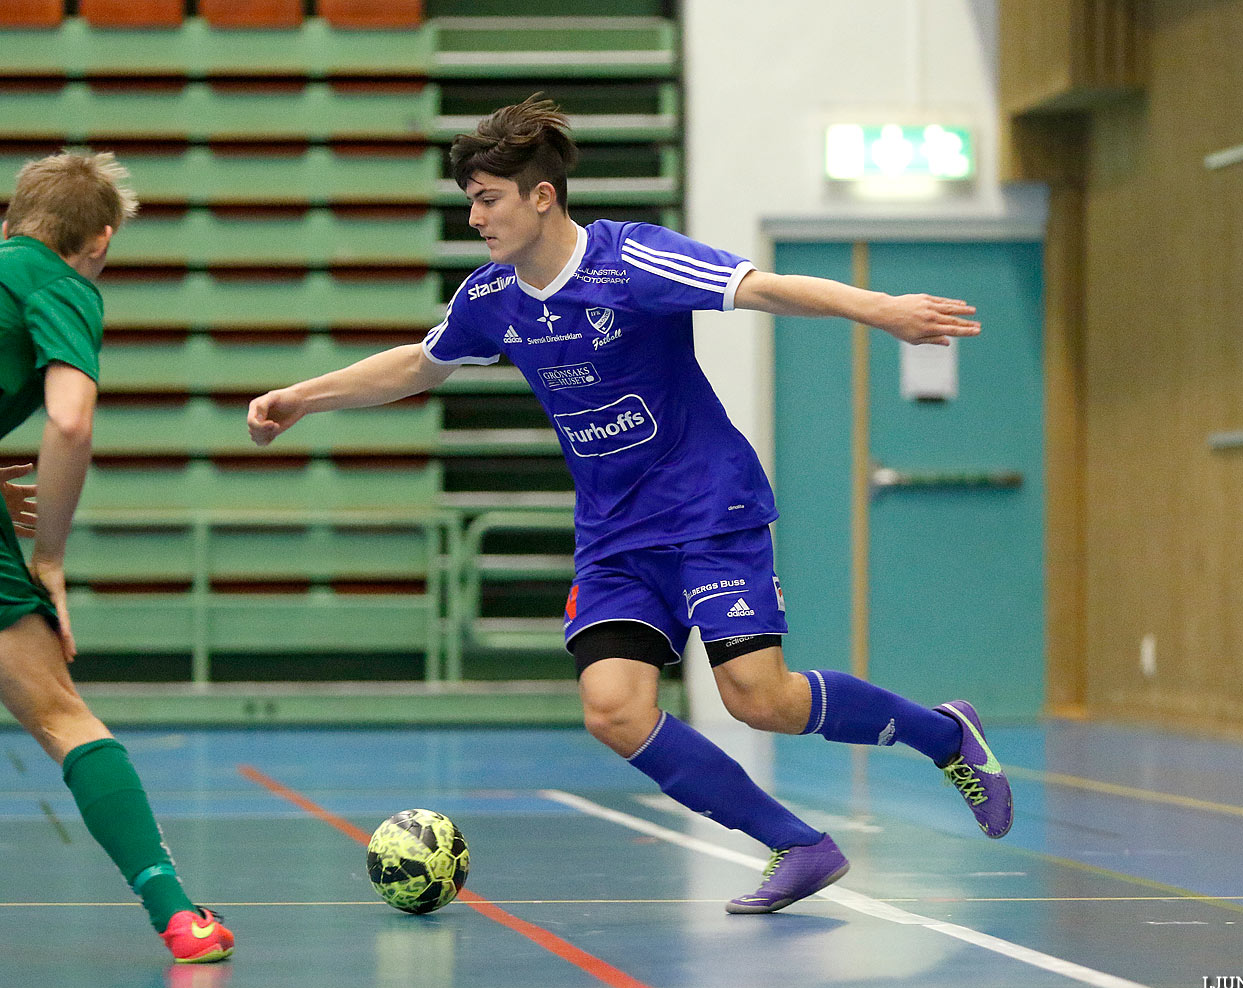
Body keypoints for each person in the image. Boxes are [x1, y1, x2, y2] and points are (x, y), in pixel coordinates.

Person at [247, 96, 1012, 914]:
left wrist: (882, 310)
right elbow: (419, 364)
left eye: (488, 198)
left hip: (708, 511)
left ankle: (945, 736)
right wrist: (302, 397)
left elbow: (765, 288)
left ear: (542, 196)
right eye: (469, 199)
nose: (474, 217)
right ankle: (798, 844)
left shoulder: (632, 260)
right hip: (614, 537)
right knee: (614, 711)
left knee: (760, 699)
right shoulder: (491, 299)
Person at [0, 151, 233, 962]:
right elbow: (68, 422)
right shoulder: (62, 284)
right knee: (62, 714)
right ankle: (176, 913)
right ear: (99, 240)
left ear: (14, 218)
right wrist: (50, 555)